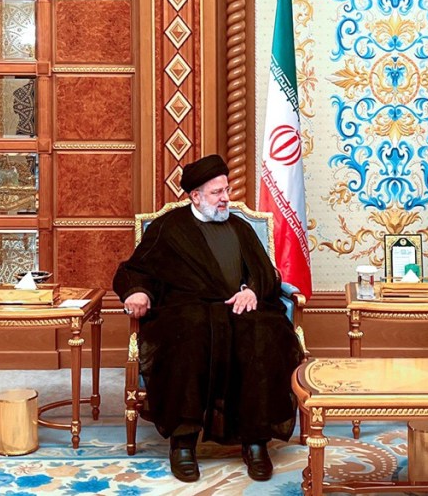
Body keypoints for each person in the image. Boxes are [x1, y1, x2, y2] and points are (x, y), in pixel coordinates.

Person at [113, 154, 304, 483]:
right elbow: (136, 270)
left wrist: (251, 291)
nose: (226, 198)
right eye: (217, 192)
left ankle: (255, 441)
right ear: (196, 196)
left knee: (263, 334)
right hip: (187, 309)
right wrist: (137, 292)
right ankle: (183, 443)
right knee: (187, 334)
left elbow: (265, 272)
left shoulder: (240, 227)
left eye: (226, 190)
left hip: (240, 308)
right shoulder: (169, 228)